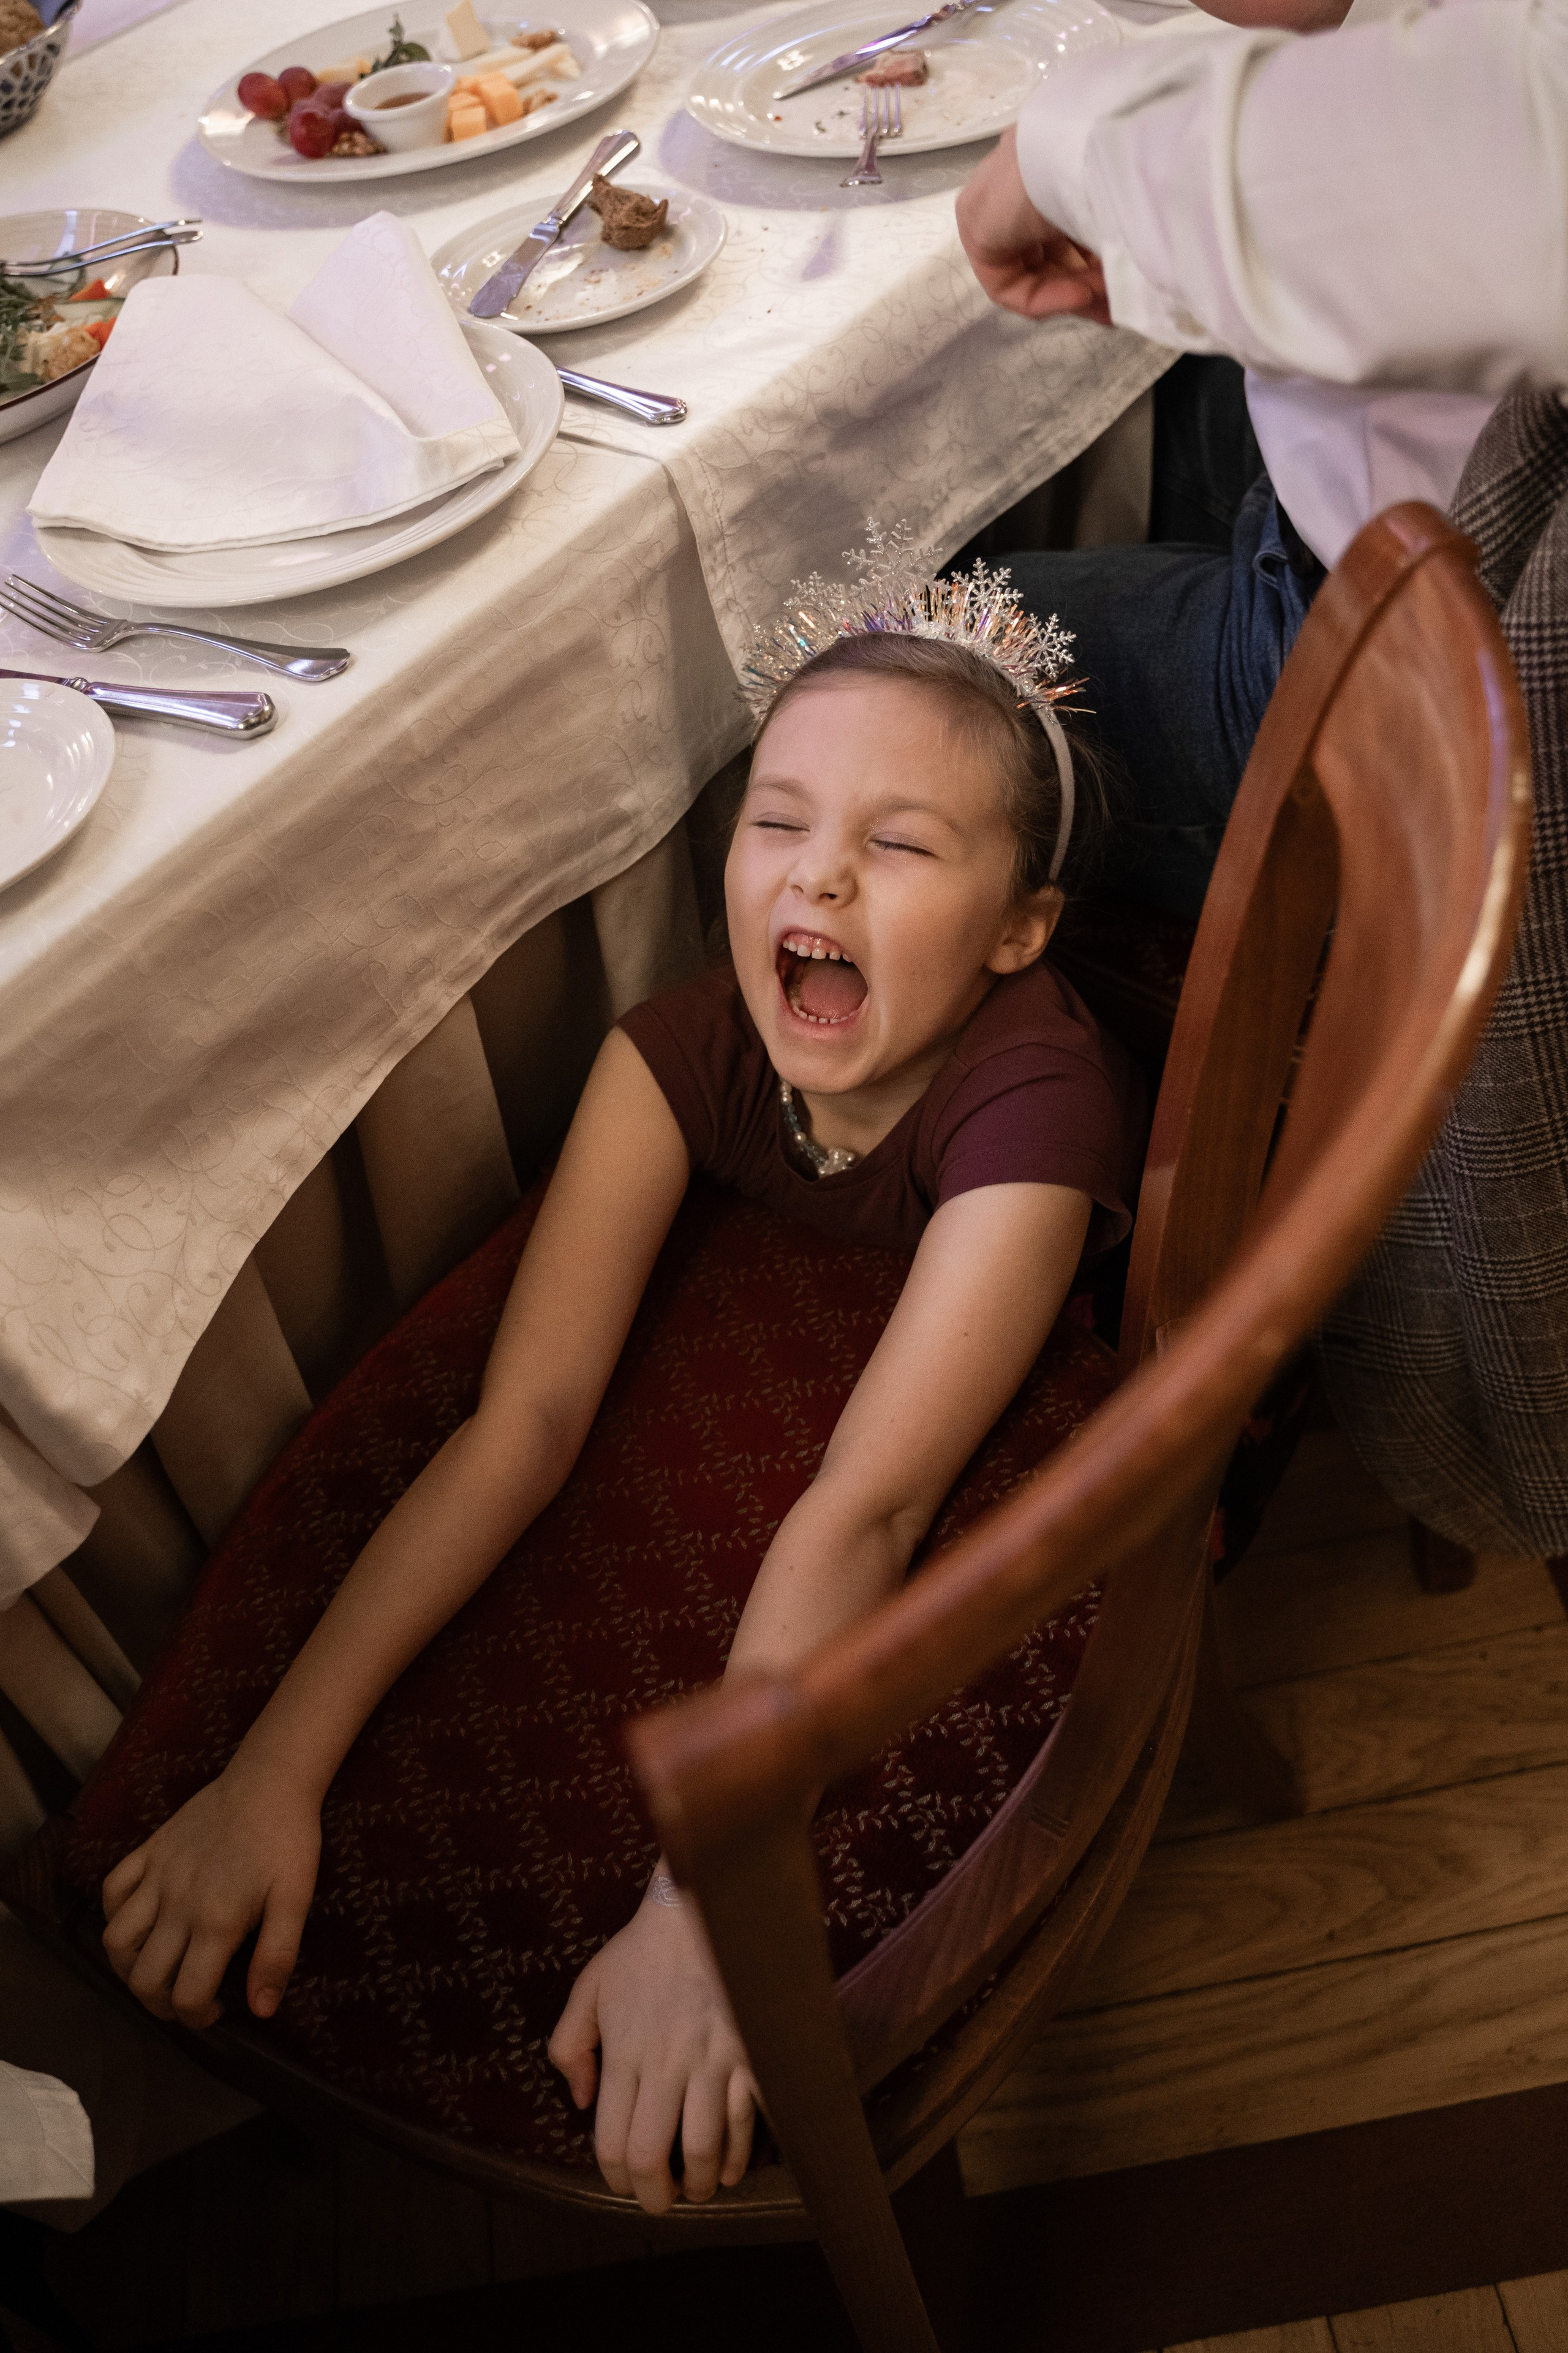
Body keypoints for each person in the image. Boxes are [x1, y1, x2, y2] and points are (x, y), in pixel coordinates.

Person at [88, 543, 1144, 2218]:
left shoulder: (1035, 1111)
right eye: (780, 821)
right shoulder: (676, 1053)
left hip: (924, 1432)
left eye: (901, 844)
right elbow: (526, 1423)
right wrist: (276, 1768)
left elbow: (866, 1506)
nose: (823, 883)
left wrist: (700, 1903)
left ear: (1021, 929)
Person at [956, 0, 1568, 915]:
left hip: (1453, 653)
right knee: (1141, 411)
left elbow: (1523, 152)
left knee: (931, 637)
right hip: (1355, 481)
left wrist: (1071, 145)